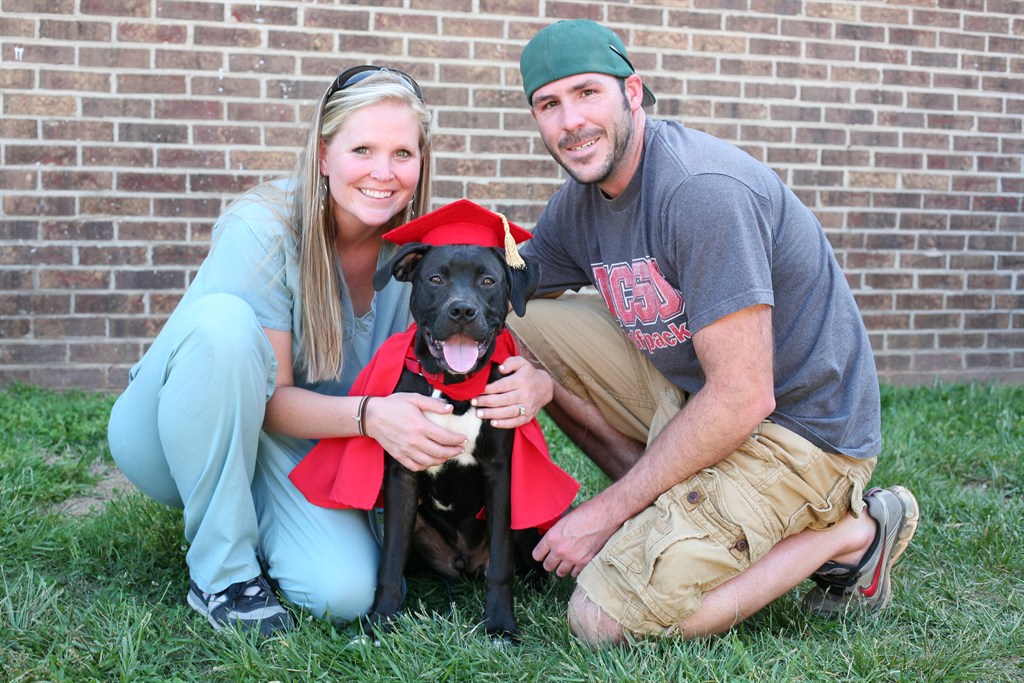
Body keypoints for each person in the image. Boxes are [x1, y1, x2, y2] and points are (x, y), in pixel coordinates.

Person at [506, 19, 921, 646]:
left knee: (601, 621)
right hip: (697, 394)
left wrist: (604, 512)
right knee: (514, 314)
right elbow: (506, 278)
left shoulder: (701, 192)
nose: (571, 122)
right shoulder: (581, 202)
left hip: (798, 434)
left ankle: (851, 534)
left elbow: (745, 395)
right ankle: (662, 507)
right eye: (549, 105)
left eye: (587, 93)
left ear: (633, 93)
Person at [106, 66, 552, 636]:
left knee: (340, 591)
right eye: (361, 149)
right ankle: (221, 573)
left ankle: (263, 526)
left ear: (422, 161)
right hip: (179, 431)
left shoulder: (421, 257)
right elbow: (260, 393)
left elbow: (489, 323)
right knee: (224, 326)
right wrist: (371, 417)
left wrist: (540, 381)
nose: (383, 173)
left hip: (303, 443)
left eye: (402, 153)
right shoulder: (262, 229)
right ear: (323, 155)